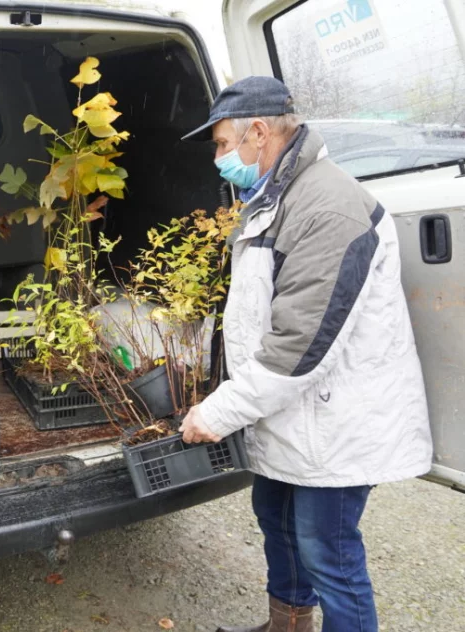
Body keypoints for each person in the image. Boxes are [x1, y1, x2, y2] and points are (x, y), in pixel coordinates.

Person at [179, 76, 433, 632]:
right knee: (278, 520)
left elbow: (298, 347)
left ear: (260, 133)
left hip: (335, 419)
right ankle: (287, 625)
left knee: (329, 552)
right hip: (294, 412)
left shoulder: (328, 207)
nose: (220, 159)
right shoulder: (275, 196)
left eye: (224, 145)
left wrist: (218, 413)